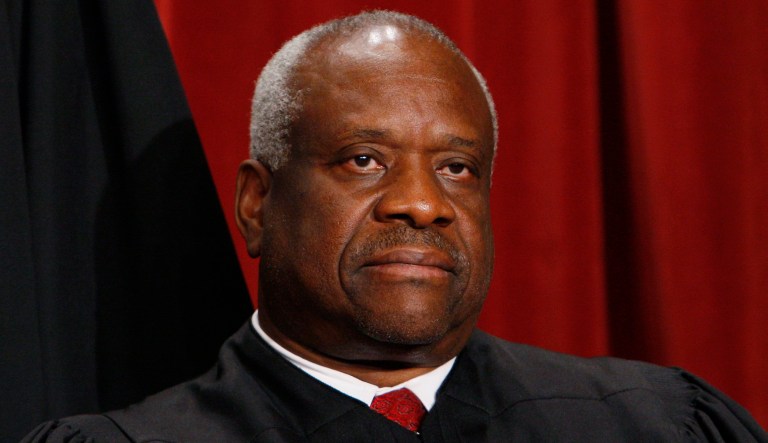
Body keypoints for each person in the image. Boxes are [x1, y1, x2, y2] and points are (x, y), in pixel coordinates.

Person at [23, 10, 767, 443]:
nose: (421, 203)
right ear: (258, 204)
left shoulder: (653, 426)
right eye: (364, 159)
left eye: (457, 168)